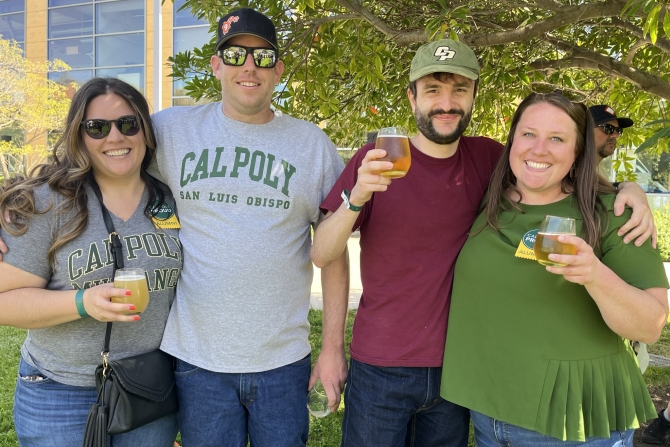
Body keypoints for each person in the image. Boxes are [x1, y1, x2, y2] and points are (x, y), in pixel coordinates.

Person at [311, 39, 657, 447]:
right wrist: (357, 197)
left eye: (459, 89)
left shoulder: (491, 160)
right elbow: (322, 253)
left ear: (474, 95)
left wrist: (626, 188)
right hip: (382, 363)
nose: (446, 103)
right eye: (433, 90)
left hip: (458, 373)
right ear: (412, 97)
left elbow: (550, 170)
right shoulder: (376, 159)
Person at [147, 7, 348, 447]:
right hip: (198, 362)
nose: (249, 67)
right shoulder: (170, 131)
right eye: (236, 56)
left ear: (278, 69)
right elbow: (102, 160)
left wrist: (333, 349)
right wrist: (24, 204)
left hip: (282, 361)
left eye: (262, 56)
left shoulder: (312, 145)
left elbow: (333, 252)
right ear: (217, 66)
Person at [440, 91, 668, 446]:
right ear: (512, 140)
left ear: (578, 151)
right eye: (529, 134)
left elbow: (650, 325)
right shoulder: (490, 198)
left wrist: (594, 274)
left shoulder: (614, 213)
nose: (539, 149)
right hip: (488, 411)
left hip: (573, 422)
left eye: (557, 138)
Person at [0, 78, 182, 446]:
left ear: (145, 130)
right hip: (59, 391)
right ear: (79, 136)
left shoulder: (172, 195)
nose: (115, 138)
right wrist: (83, 302)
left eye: (128, 124)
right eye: (97, 128)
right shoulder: (47, 203)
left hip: (148, 387)